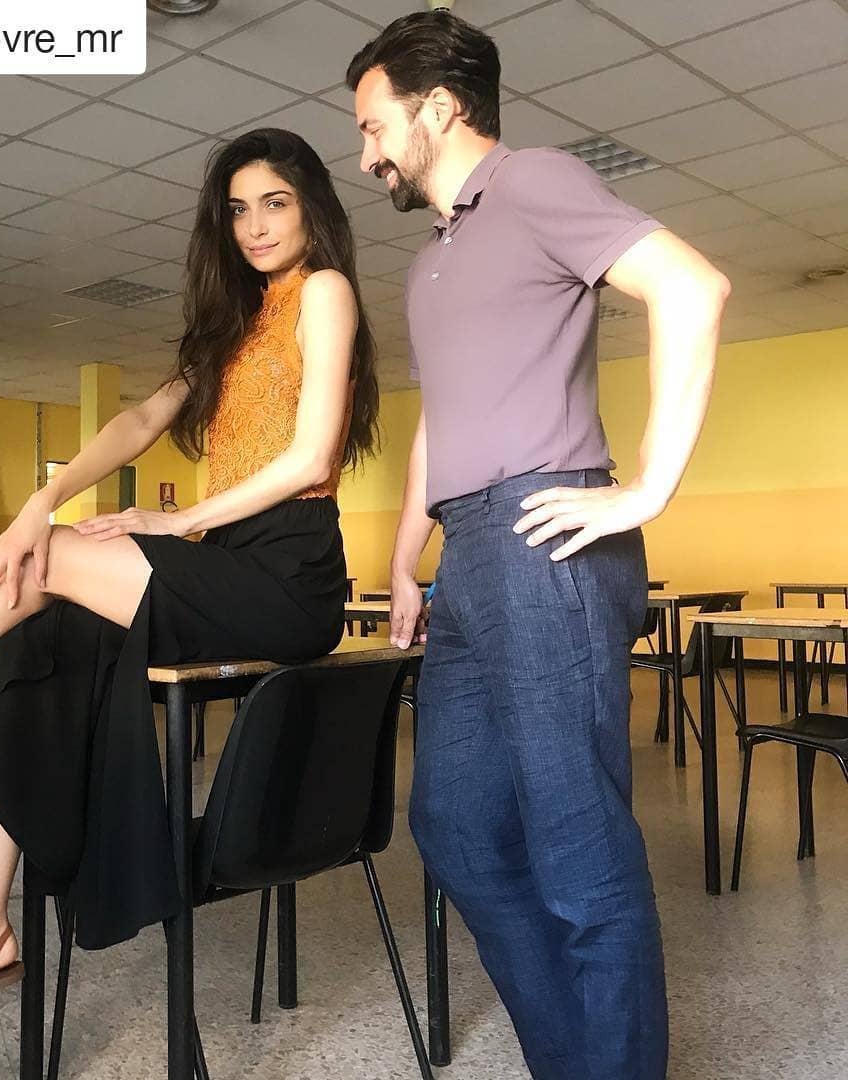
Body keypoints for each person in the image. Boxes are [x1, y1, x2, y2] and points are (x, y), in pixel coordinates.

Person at [0, 127, 379, 1043]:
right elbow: (140, 418)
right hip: (222, 562)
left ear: (311, 210)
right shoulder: (235, 323)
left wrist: (172, 519)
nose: (255, 226)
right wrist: (45, 495)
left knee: (43, 557)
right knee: (35, 660)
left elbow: (311, 455)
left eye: (275, 204)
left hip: (286, 574)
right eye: (237, 210)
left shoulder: (324, 291)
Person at [346, 12, 730, 1080]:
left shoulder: (533, 183)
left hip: (541, 532)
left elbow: (693, 287)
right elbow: (442, 420)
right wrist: (404, 561)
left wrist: (646, 487)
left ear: (437, 107)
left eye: (373, 125)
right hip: (468, 552)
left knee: (576, 843)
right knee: (456, 826)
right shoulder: (433, 259)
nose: (365, 153)